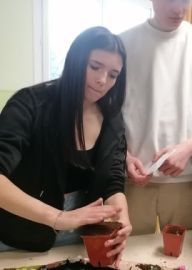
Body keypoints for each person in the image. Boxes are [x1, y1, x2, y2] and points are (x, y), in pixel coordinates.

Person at [0, 26, 131, 266]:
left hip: (83, 243)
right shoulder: (30, 104)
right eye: (94, 67)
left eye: (113, 75)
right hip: (18, 238)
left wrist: (121, 221)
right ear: (75, 60)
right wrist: (58, 218)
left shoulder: (111, 117)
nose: (102, 81)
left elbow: (113, 182)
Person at [119, 0, 192, 234]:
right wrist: (123, 155)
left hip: (185, 180)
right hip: (130, 180)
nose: (178, 9)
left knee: (184, 256)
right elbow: (102, 112)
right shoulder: (122, 44)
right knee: (129, 255)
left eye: (184, 1)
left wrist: (187, 148)